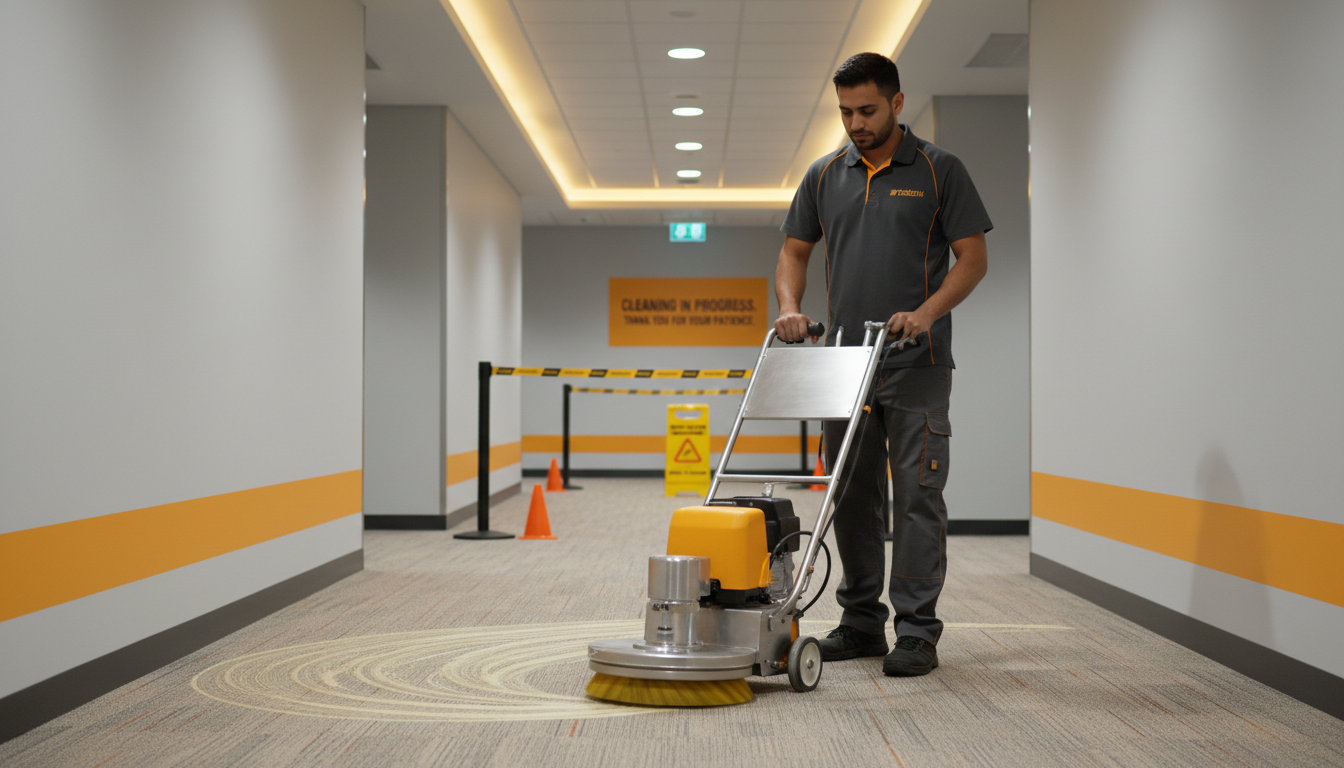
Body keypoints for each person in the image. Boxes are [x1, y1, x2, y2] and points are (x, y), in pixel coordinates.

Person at [774, 52, 992, 677]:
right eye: (845, 112)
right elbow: (793, 251)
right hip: (843, 364)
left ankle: (917, 632)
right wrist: (790, 306)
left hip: (915, 362)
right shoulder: (823, 175)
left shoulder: (937, 169)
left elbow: (972, 260)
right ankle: (862, 623)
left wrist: (926, 312)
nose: (855, 123)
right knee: (851, 494)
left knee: (917, 497)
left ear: (898, 103)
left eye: (867, 110)